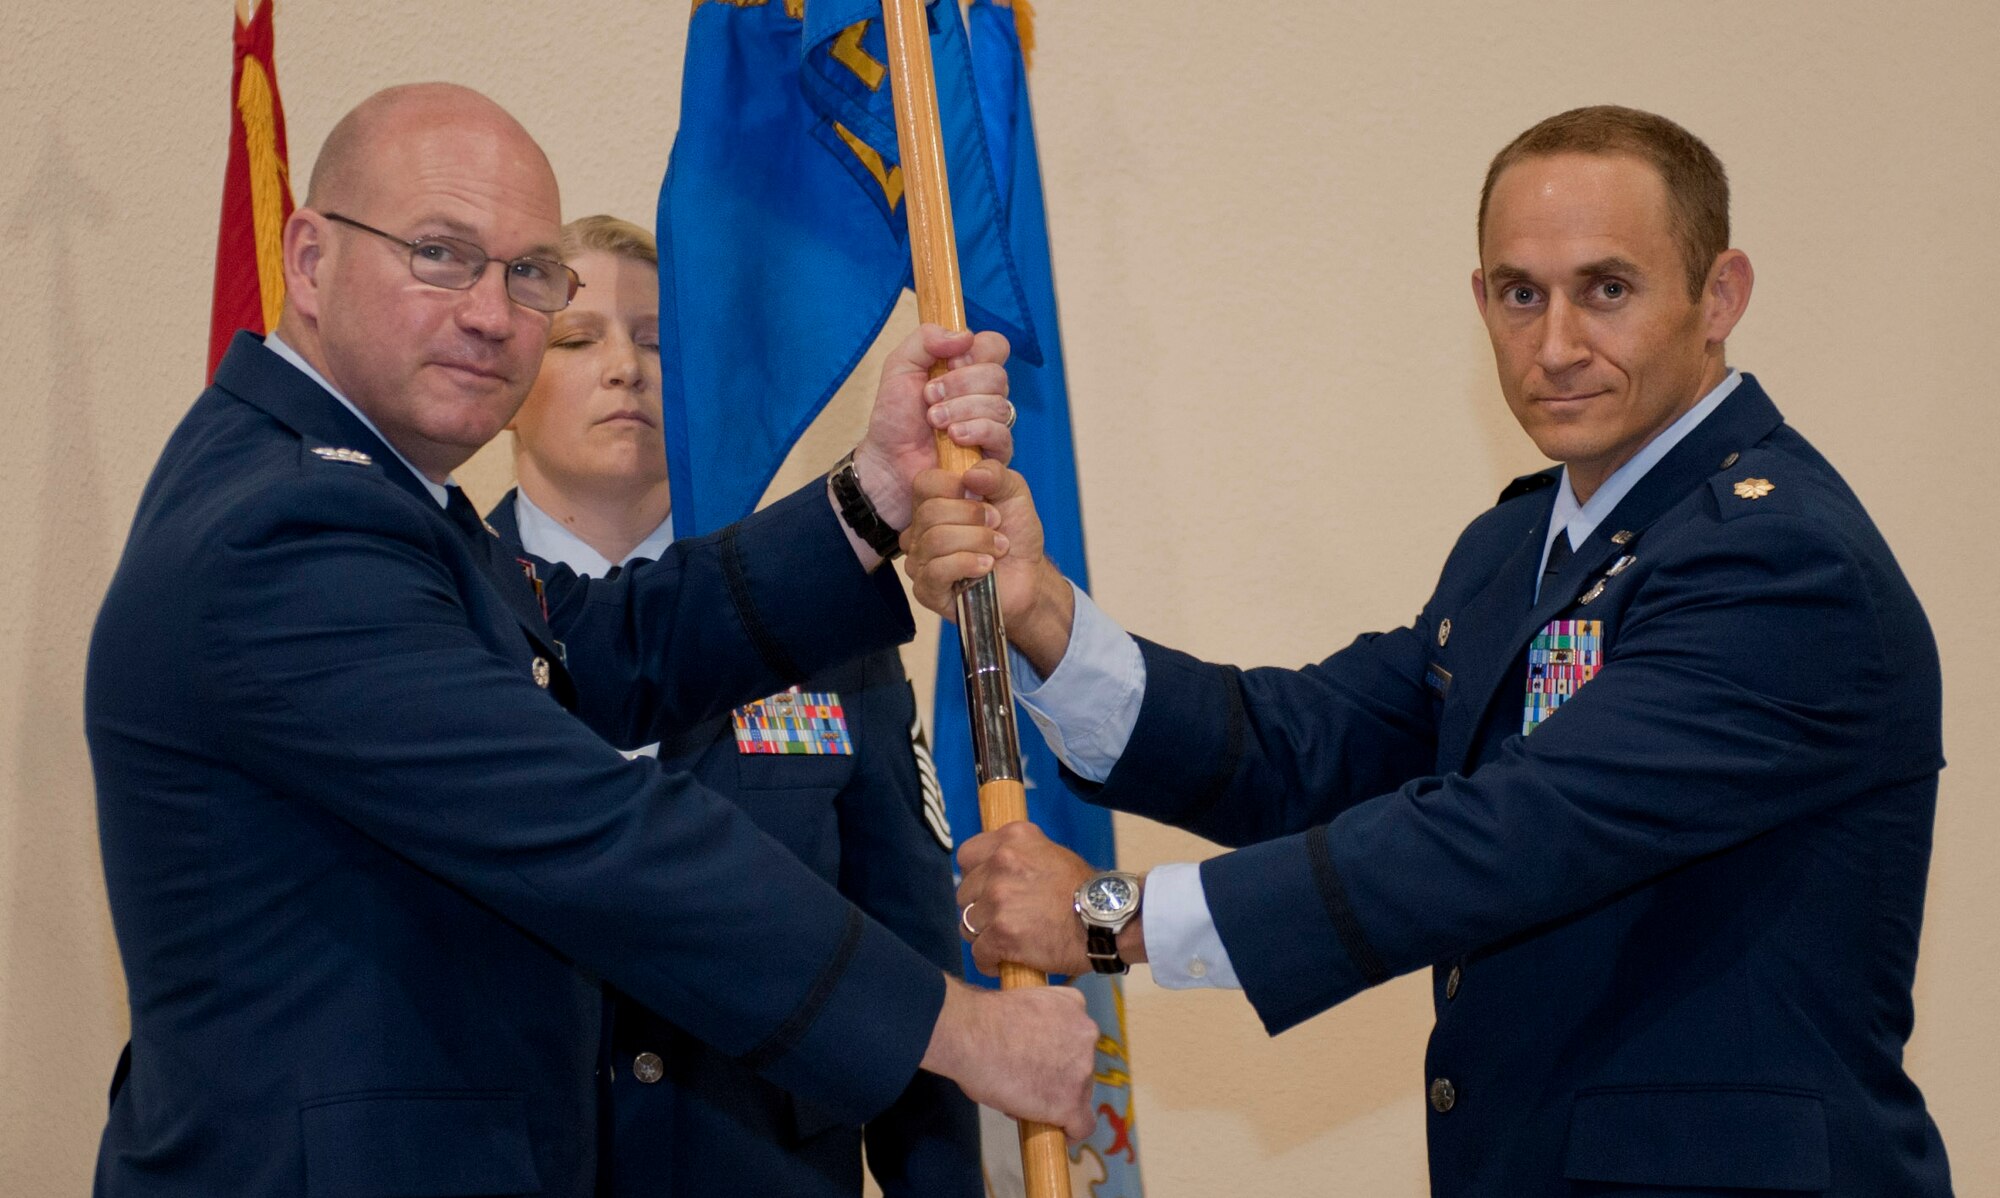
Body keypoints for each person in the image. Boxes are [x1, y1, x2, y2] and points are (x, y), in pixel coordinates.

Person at [904, 105, 1951, 1195]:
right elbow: (1307, 749)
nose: (1554, 345)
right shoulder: (1518, 544)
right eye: (1518, 293)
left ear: (1717, 295)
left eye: (1606, 289)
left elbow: (1505, 838)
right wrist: (1041, 615)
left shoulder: (1779, 562)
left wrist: (1109, 919)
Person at [85, 82, 1095, 1198]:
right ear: (310, 259)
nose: (488, 312)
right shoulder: (291, 530)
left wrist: (873, 494)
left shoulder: (379, 500)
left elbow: (608, 646)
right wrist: (954, 1027)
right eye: (439, 253)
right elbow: (595, 831)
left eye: (526, 273)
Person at [489, 213, 981, 1197]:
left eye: (663, 341)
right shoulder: (444, 617)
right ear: (503, 381)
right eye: (579, 339)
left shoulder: (822, 620)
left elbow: (913, 963)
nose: (625, 367)